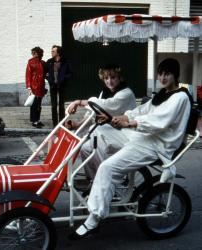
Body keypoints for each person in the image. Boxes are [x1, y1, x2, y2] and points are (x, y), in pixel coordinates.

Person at [70, 58, 193, 239]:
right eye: (160, 73)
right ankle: (101, 186)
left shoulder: (180, 97)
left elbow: (160, 121)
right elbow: (143, 110)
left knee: (108, 167)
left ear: (175, 75)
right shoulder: (163, 94)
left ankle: (94, 219)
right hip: (143, 136)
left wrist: (131, 123)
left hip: (157, 145)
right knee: (99, 132)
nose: (163, 77)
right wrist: (123, 117)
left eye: (167, 73)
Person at [67, 64, 136, 180]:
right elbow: (94, 114)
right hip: (111, 130)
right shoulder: (105, 92)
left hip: (124, 132)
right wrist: (77, 125)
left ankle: (105, 178)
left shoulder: (126, 93)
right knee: (85, 148)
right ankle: (93, 180)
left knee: (97, 131)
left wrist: (78, 102)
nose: (110, 81)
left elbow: (104, 105)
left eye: (113, 77)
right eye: (106, 78)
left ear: (120, 78)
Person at [46, 45, 72, 127]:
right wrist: (49, 79)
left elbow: (70, 73)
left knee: (61, 106)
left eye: (53, 51)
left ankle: (61, 124)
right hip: (53, 86)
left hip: (62, 86)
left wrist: (64, 79)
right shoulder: (49, 61)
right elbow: (45, 73)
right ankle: (55, 125)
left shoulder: (65, 61)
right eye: (51, 51)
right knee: (53, 106)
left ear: (58, 52)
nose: (51, 52)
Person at [25, 47, 47, 128]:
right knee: (34, 104)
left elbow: (45, 74)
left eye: (34, 53)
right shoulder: (31, 62)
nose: (33, 54)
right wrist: (29, 87)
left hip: (41, 86)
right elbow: (28, 75)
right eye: (32, 53)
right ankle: (34, 121)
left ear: (39, 53)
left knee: (39, 104)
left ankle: (37, 120)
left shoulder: (43, 63)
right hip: (34, 87)